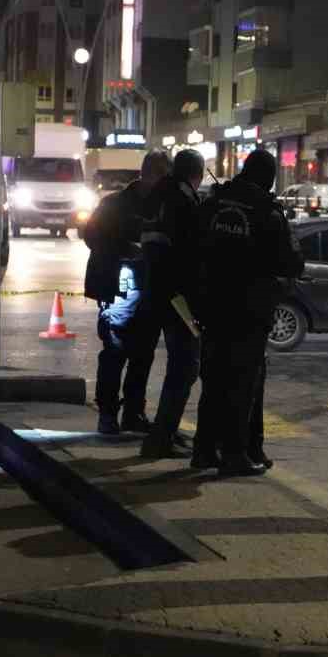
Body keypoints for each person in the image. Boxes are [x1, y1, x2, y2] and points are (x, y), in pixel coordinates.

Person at [193, 149, 303, 476]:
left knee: (213, 380)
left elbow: (193, 247)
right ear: (268, 178)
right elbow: (291, 262)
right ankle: (235, 453)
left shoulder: (214, 203)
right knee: (243, 383)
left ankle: (204, 450)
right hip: (248, 310)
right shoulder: (267, 213)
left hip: (212, 305)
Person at [84, 150, 170, 435]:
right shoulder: (116, 204)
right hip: (122, 286)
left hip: (149, 286)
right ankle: (108, 414)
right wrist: (125, 250)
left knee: (143, 354)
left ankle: (133, 413)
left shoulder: (159, 204)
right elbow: (91, 236)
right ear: (152, 175)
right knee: (116, 351)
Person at [137, 149, 206, 460]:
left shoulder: (157, 195)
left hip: (155, 289)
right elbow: (192, 252)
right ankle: (160, 438)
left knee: (179, 365)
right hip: (178, 296)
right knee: (185, 366)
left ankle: (164, 430)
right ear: (198, 174)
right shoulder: (184, 200)